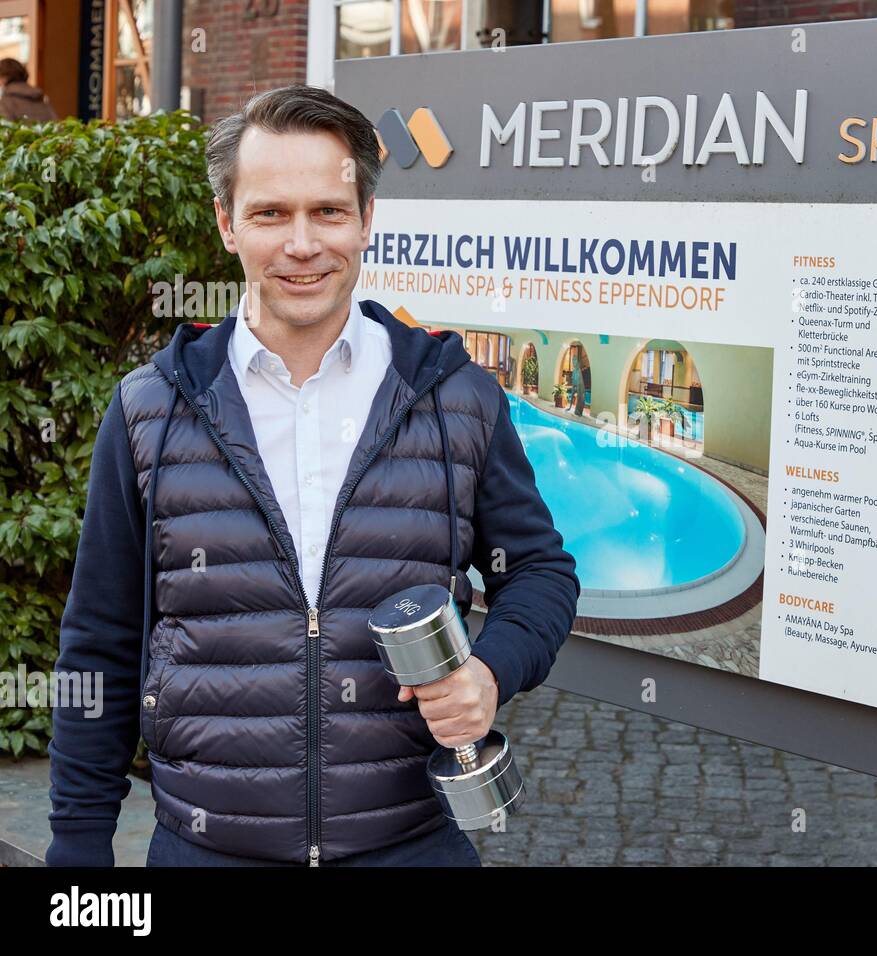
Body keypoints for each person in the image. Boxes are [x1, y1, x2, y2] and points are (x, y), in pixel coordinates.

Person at [45, 85, 581, 867]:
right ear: (227, 224)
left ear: (367, 219)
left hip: (412, 849)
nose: (302, 244)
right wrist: (77, 854)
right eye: (270, 214)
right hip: (205, 851)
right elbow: (96, 645)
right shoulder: (147, 410)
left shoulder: (456, 397)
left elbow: (538, 569)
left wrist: (491, 671)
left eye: (328, 212)